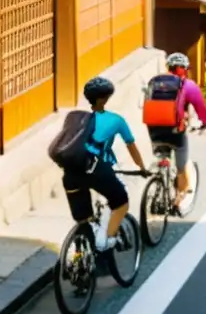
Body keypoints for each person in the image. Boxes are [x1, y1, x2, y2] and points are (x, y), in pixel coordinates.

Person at [64, 77, 150, 252]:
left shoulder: (76, 118)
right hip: (97, 169)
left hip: (71, 171)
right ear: (104, 98)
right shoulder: (116, 120)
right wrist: (141, 168)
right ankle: (107, 240)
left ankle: (80, 257)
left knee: (84, 219)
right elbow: (131, 146)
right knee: (121, 202)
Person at [149, 53, 206, 215]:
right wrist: (205, 122)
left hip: (154, 129)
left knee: (162, 155)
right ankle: (178, 200)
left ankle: (157, 184)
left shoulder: (155, 82)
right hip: (175, 132)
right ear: (185, 69)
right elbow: (201, 108)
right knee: (181, 167)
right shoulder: (188, 85)